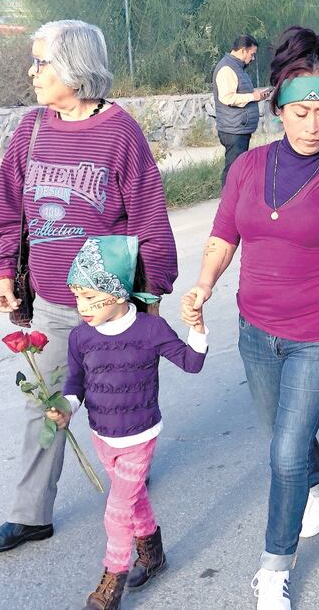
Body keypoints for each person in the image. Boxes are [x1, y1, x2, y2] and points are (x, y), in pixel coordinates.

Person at [181, 26, 319, 610]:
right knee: (283, 439)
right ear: (279, 109)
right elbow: (223, 236)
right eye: (300, 111)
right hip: (255, 332)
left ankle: (275, 565)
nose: (312, 124)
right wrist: (203, 285)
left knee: (283, 450)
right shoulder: (247, 168)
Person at [0, 20, 177, 555]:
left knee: (118, 402)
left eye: (40, 62)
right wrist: (2, 270)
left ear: (73, 67)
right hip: (53, 307)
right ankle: (30, 514)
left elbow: (149, 217)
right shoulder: (32, 130)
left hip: (113, 309)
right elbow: (9, 211)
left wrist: (151, 296)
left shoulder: (120, 133)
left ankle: (130, 479)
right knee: (44, 407)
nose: (32, 72)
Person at [46, 235, 207, 610]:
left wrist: (197, 326)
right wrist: (66, 407)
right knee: (132, 501)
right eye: (77, 296)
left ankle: (111, 580)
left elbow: (192, 363)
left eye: (88, 296)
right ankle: (153, 556)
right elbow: (75, 383)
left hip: (140, 435)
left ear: (117, 293)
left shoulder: (151, 330)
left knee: (117, 510)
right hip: (102, 435)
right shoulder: (81, 336)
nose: (80, 306)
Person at [213, 34, 271, 186]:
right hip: (233, 130)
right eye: (252, 54)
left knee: (239, 168)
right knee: (233, 169)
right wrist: (253, 96)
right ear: (243, 51)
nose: (253, 58)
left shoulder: (238, 68)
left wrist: (257, 96)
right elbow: (227, 98)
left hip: (239, 128)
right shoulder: (227, 69)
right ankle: (227, 201)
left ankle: (235, 199)